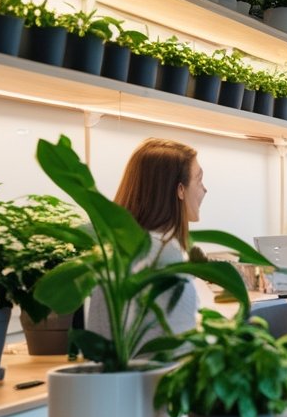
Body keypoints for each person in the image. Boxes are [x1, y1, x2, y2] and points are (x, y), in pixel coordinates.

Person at [86, 137, 205, 340]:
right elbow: (180, 347)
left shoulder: (117, 251)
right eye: (199, 180)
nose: (204, 189)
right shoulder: (163, 255)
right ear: (180, 190)